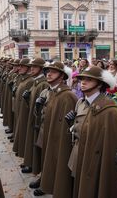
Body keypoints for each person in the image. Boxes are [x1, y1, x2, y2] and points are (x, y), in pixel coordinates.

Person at [70, 66, 117, 198]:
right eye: (82, 79)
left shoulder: (109, 109)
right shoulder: (80, 103)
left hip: (94, 163)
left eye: (89, 79)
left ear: (100, 83)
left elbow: (113, 145)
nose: (83, 82)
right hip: (78, 156)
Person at [35, 61, 77, 197]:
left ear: (62, 76)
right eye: (47, 71)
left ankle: (58, 188)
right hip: (48, 132)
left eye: (53, 71)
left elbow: (68, 125)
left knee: (58, 162)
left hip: (59, 137)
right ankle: (46, 182)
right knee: (48, 159)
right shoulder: (51, 91)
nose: (49, 73)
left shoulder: (67, 95)